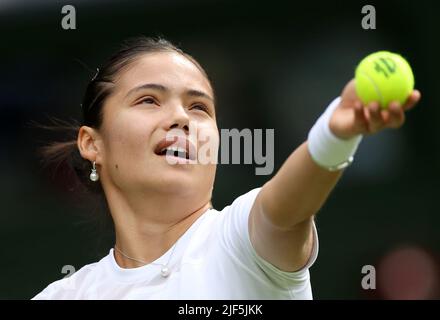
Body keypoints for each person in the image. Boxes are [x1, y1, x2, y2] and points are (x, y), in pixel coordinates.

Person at [32, 36, 421, 299]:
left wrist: (334, 135)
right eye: (149, 100)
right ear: (92, 143)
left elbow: (285, 212)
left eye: (199, 107)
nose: (181, 118)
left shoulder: (240, 240)